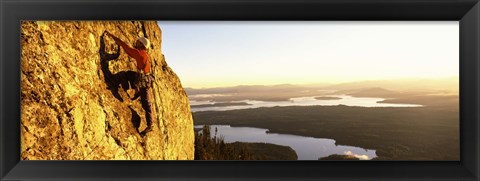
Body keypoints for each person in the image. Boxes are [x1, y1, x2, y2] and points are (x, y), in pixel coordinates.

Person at [105, 31, 154, 135]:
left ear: (141, 44)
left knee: (126, 75)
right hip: (147, 79)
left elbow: (125, 46)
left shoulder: (139, 54)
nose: (136, 42)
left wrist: (112, 36)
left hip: (142, 80)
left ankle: (150, 125)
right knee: (146, 102)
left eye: (138, 42)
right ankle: (150, 124)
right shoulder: (145, 54)